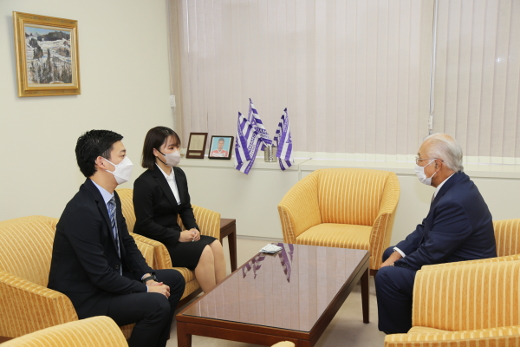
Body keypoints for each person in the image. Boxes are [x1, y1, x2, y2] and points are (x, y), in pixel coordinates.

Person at [48, 130, 185, 347]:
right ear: (102, 162)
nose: (127, 161)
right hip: (87, 297)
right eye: (122, 156)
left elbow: (127, 244)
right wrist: (147, 289)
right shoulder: (82, 211)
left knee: (175, 280)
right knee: (157, 303)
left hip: (108, 280)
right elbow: (100, 275)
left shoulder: (110, 196)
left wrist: (147, 277)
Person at [375, 133, 496, 334]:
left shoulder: (455, 200)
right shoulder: (455, 185)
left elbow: (432, 253)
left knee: (387, 276)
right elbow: (426, 227)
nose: (417, 165)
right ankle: (413, 318)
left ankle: (400, 337)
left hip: (465, 279)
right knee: (389, 253)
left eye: (420, 159)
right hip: (453, 261)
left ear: (437, 165)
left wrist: (395, 265)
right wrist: (397, 254)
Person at [133, 126, 227, 292]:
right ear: (155, 151)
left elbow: (185, 208)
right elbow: (145, 224)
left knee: (216, 245)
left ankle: (222, 295)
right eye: (171, 148)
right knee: (204, 251)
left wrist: (193, 228)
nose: (176, 151)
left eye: (177, 146)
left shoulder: (179, 174)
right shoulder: (144, 183)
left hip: (176, 235)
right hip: (159, 241)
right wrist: (177, 236)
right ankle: (212, 305)